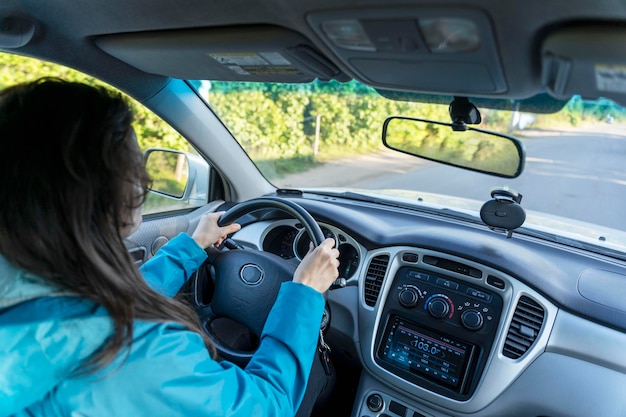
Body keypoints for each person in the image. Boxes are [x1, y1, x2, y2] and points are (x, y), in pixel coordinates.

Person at [0, 78, 340, 416]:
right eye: (135, 171)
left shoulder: (36, 299)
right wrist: (304, 292)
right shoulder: (138, 352)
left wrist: (191, 247)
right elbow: (267, 407)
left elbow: (95, 311)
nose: (143, 184)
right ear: (106, 196)